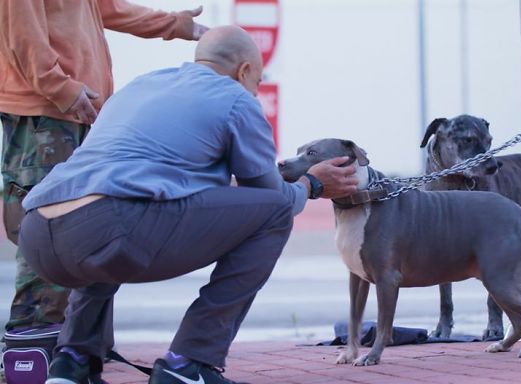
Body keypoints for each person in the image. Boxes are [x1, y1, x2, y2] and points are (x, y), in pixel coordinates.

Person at [18, 25, 359, 383]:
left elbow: (161, 181)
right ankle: (189, 364)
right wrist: (311, 183)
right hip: (108, 227)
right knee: (272, 213)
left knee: (113, 214)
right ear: (244, 71)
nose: (255, 90)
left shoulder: (141, 85)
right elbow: (274, 198)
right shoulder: (236, 98)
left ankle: (72, 361)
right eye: (257, 81)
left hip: (39, 233)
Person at [0, 0, 208, 338]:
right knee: (47, 228)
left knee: (84, 228)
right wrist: (61, 88)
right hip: (45, 113)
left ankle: (77, 348)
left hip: (76, 109)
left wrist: (175, 25)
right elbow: (21, 35)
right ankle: (30, 350)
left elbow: (105, 8)